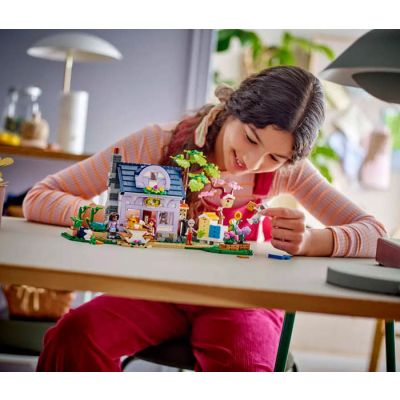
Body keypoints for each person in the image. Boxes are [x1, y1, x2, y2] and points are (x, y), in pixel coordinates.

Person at [23, 66, 386, 372]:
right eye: (251, 138)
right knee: (74, 336)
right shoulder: (158, 143)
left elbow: (375, 234)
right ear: (233, 107)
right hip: (159, 291)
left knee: (244, 369)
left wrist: (311, 241)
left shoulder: (287, 172)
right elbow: (39, 198)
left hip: (243, 301)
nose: (253, 162)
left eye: (275, 158)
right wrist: (112, 215)